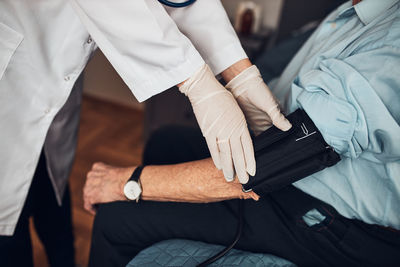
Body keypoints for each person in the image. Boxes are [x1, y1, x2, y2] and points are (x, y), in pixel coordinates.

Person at [83, 0, 400, 266]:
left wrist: (129, 184)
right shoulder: (357, 10)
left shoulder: (390, 40)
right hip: (301, 181)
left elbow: (278, 162)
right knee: (166, 140)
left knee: (115, 219)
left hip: (334, 222)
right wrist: (236, 79)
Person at [0, 1, 290, 266]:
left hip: (56, 82)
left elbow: (182, 1)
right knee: (8, 219)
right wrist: (196, 81)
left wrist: (239, 73)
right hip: (15, 64)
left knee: (51, 187)